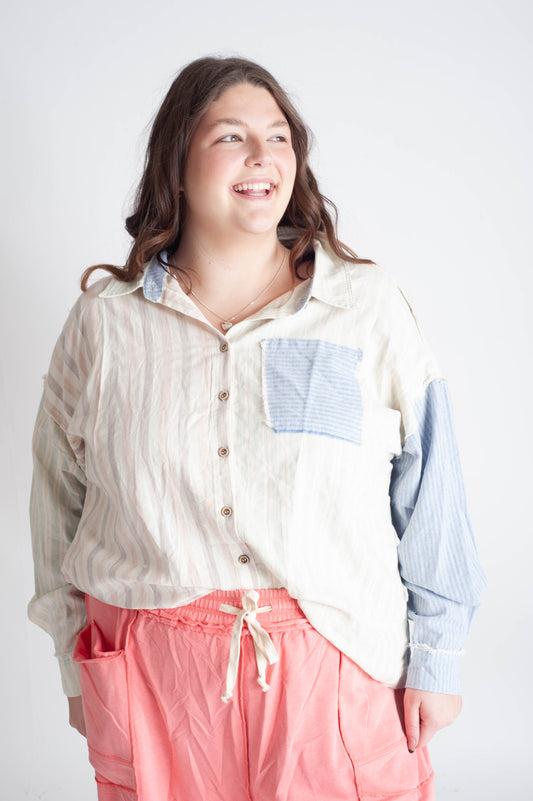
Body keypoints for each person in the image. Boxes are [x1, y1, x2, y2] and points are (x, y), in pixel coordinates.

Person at [28, 56, 486, 801]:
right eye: (231, 136)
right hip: (153, 677)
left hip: (334, 667)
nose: (261, 156)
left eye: (278, 137)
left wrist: (437, 655)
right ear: (176, 163)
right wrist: (69, 660)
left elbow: (429, 484)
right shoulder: (104, 325)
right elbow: (57, 496)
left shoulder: (364, 307)